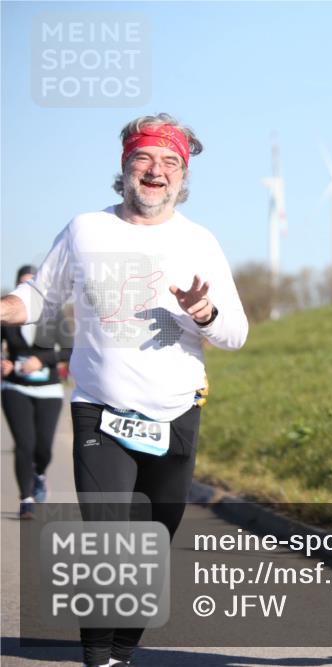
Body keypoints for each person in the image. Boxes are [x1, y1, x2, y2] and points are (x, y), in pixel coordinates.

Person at [0, 113, 249, 667]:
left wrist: (203, 311)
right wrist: (6, 307)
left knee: (153, 544)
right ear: (125, 167)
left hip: (176, 411)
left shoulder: (198, 242)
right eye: (144, 158)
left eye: (169, 162)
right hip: (99, 409)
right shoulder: (86, 228)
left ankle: (121, 649)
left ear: (183, 177)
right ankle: (98, 656)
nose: (155, 170)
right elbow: (37, 297)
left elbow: (236, 333)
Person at [2, 264, 72, 519]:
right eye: (22, 283)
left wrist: (42, 361)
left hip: (49, 389)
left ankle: (39, 475)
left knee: (43, 449)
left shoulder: (54, 315)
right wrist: (3, 363)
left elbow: (68, 350)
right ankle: (26, 499)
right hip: (15, 387)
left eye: (31, 283)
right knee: (24, 444)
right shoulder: (7, 315)